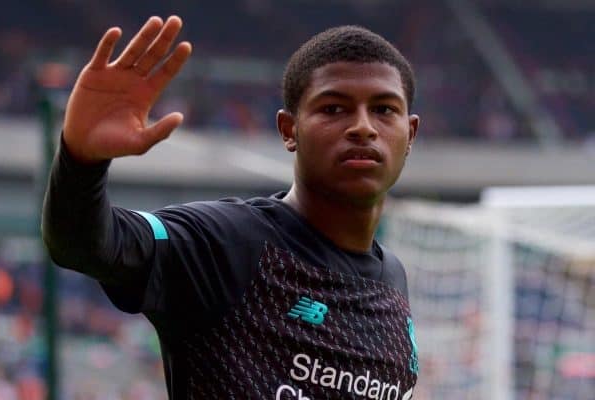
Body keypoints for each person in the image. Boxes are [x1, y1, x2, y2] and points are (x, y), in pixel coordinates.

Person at [42, 15, 420, 399]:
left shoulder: (392, 277)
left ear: (411, 133)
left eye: (384, 110)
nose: (363, 127)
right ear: (289, 130)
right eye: (334, 109)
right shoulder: (225, 243)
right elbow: (86, 244)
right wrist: (81, 161)